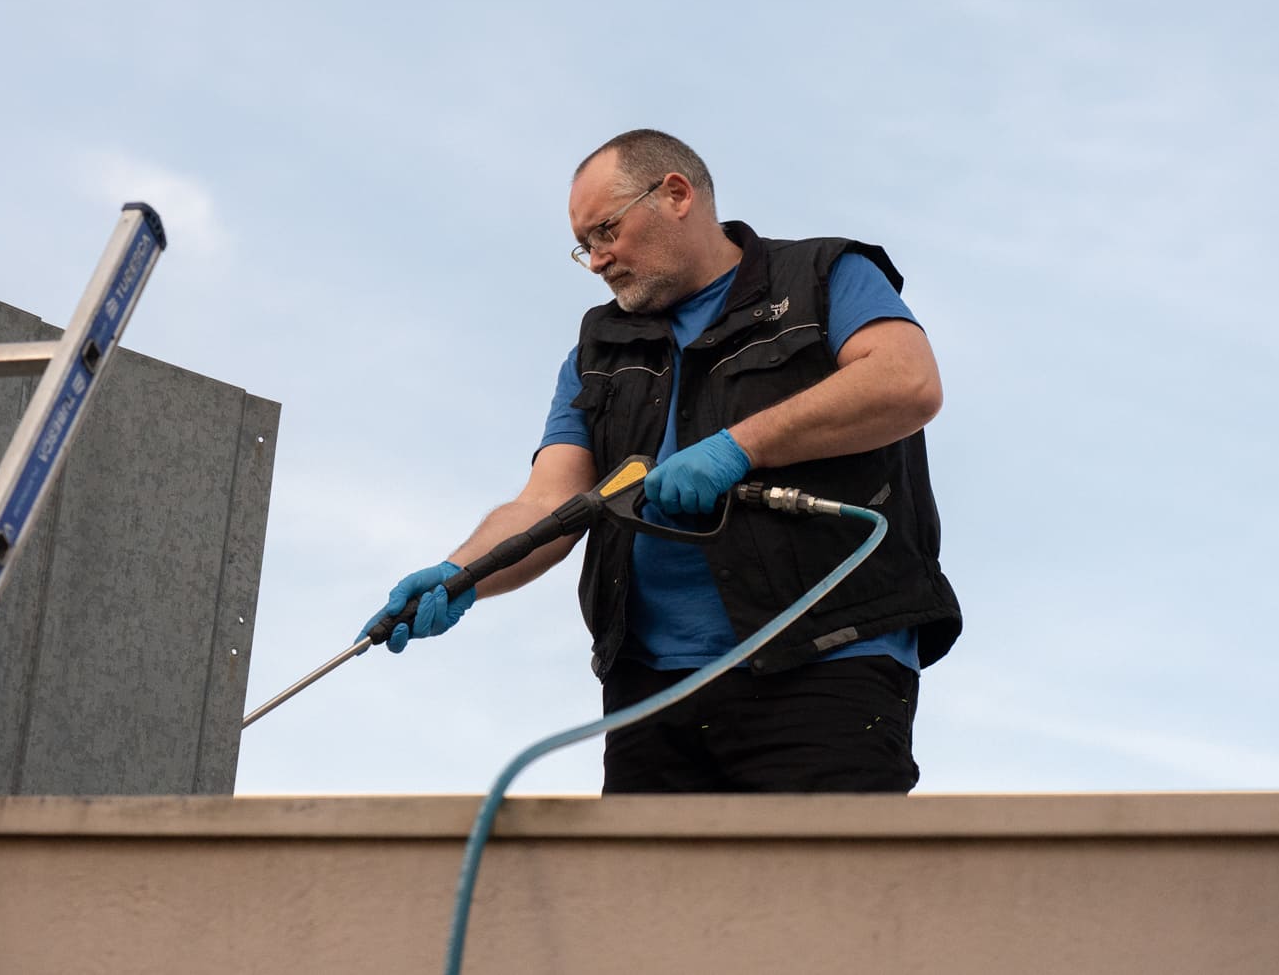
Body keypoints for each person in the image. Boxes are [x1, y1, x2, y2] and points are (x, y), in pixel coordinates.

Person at [363, 129, 961, 793]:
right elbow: (546, 503)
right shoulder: (596, 350)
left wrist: (742, 445)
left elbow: (907, 382)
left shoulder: (822, 278)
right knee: (650, 899)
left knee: (813, 895)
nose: (595, 259)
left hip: (825, 661)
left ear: (675, 193)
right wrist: (464, 571)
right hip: (649, 690)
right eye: (584, 245)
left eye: (605, 231)